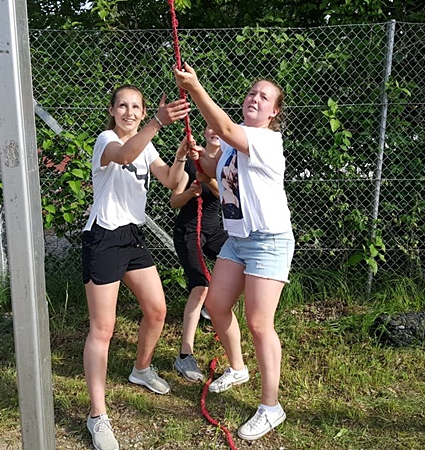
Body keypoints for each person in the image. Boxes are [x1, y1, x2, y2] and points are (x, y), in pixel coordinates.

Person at [173, 64, 294, 441]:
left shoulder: (266, 140)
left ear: (274, 112)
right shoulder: (235, 141)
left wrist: (194, 88)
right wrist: (198, 156)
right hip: (238, 239)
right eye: (252, 93)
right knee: (217, 305)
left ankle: (271, 407)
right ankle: (238, 368)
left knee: (259, 323)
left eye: (264, 97)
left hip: (269, 240)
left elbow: (224, 128)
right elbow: (215, 168)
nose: (255, 98)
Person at [82, 84, 190, 450]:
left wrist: (180, 157)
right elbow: (126, 154)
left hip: (132, 236)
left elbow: (172, 182)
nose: (129, 112)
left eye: (136, 107)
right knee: (103, 329)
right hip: (104, 237)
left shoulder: (147, 145)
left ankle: (140, 369)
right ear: (112, 111)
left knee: (157, 311)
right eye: (123, 106)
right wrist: (158, 122)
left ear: (142, 112)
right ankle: (97, 416)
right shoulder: (107, 140)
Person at [170, 126, 228, 382]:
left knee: (242, 265)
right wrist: (189, 193)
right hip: (188, 230)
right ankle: (185, 356)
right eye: (209, 126)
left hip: (214, 230)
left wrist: (209, 180)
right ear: (204, 132)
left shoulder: (226, 159)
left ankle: (212, 308)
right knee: (200, 286)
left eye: (218, 127)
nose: (214, 131)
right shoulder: (193, 160)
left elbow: (225, 194)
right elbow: (174, 201)